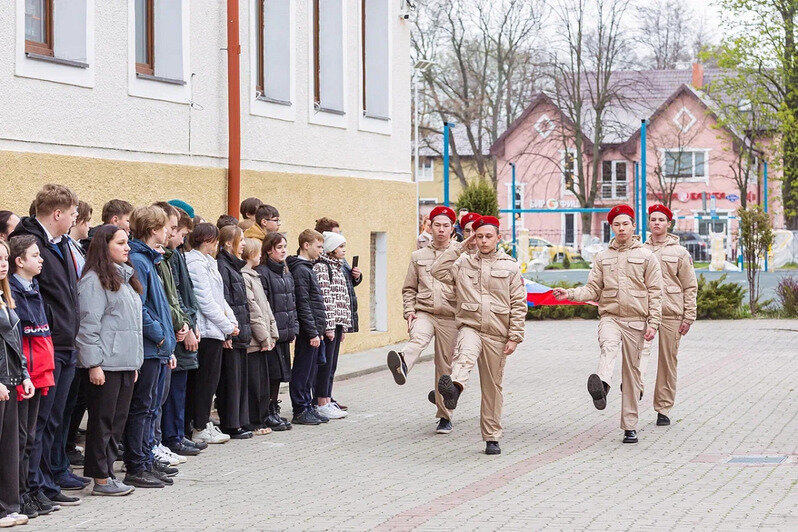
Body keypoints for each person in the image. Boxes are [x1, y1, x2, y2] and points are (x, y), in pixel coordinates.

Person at [553, 205, 662, 444]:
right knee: (608, 346)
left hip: (637, 320)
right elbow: (593, 289)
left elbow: (655, 291)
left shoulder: (646, 257)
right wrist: (569, 293)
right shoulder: (603, 257)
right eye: (616, 225)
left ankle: (630, 426)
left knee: (632, 374)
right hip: (610, 316)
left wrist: (653, 322)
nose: (621, 228)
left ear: (633, 226)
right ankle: (602, 386)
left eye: (625, 224)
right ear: (611, 228)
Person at [11, 184, 83, 508]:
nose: (73, 220)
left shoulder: (58, 244)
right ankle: (34, 486)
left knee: (56, 420)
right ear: (57, 214)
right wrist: (56, 329)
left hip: (64, 343)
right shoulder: (32, 244)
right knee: (38, 425)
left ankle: (49, 480)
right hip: (46, 345)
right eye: (71, 214)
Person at [432, 216, 527, 455]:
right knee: (464, 354)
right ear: (473, 237)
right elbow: (437, 270)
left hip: (497, 333)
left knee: (492, 388)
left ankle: (492, 437)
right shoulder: (463, 262)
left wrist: (515, 336)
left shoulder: (510, 266)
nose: (484, 241)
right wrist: (461, 245)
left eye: (488, 236)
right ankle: (454, 388)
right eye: (479, 236)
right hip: (470, 326)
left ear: (498, 238)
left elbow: (518, 303)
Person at [76, 225, 144, 496]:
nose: (127, 248)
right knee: (102, 422)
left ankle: (109, 473)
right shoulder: (93, 281)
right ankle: (100, 479)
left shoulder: (125, 279)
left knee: (117, 422)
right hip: (104, 365)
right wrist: (93, 363)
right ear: (105, 247)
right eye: (121, 243)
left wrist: (134, 363)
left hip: (125, 364)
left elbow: (130, 326)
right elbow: (87, 326)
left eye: (127, 243)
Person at [388, 206, 458, 434]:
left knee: (444, 367)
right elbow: (409, 288)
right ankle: (403, 363)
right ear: (430, 226)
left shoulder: (460, 254)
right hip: (424, 311)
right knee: (417, 338)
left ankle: (444, 416)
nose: (441, 229)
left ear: (452, 228)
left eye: (446, 225)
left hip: (450, 316)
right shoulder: (418, 256)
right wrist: (409, 311)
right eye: (437, 225)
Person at [124, 206, 178, 488]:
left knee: (151, 406)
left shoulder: (150, 259)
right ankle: (137, 464)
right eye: (165, 227)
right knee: (142, 407)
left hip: (158, 348)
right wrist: (159, 336)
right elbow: (140, 307)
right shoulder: (139, 261)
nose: (169, 231)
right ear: (153, 229)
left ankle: (146, 458)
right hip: (148, 348)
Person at [8, 236, 55, 518]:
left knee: (31, 436)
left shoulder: (34, 287)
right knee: (22, 438)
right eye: (35, 255)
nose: (41, 260)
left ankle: (28, 491)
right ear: (20, 261)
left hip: (40, 372)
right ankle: (19, 494)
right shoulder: (13, 290)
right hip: (25, 373)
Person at [639, 204, 697, 427]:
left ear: (668, 224)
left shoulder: (680, 252)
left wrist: (688, 316)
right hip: (644, 313)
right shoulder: (640, 250)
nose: (656, 223)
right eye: (653, 219)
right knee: (637, 357)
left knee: (667, 362)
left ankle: (663, 409)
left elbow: (690, 286)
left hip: (672, 313)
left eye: (661, 220)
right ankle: (637, 389)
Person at [148, 203, 191, 467]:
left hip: (168, 336)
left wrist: (184, 321)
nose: (172, 234)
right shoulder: (147, 260)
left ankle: (156, 445)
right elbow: (150, 304)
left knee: (158, 401)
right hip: (158, 340)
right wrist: (165, 334)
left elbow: (174, 298)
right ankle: (147, 452)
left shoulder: (164, 259)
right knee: (148, 405)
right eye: (170, 228)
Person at [184, 223, 236, 444]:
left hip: (215, 328)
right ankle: (199, 426)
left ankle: (203, 422)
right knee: (204, 382)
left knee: (210, 382)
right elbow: (204, 300)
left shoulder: (208, 263)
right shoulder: (195, 263)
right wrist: (226, 325)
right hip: (206, 330)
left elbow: (219, 297)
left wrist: (231, 320)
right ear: (207, 241)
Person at [160, 207, 204, 457]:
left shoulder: (175, 256)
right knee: (172, 390)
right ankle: (171, 436)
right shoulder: (166, 258)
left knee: (180, 386)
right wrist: (184, 326)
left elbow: (185, 295)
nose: (181, 239)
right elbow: (172, 297)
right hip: (176, 331)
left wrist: (191, 323)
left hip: (185, 324)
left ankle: (177, 433)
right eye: (180, 233)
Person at [0, 239, 35, 527]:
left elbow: (14, 342)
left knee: (10, 448)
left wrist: (23, 374)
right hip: (0, 383)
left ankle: (8, 506)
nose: (3, 263)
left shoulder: (5, 297)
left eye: (5, 257)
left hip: (11, 381)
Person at [312, 217, 360, 411]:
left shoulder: (339, 265)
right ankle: (321, 400)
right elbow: (327, 298)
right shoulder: (323, 267)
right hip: (330, 323)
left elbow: (346, 289)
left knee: (331, 364)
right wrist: (330, 326)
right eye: (339, 242)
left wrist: (357, 275)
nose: (344, 248)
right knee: (324, 364)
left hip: (339, 320)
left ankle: (327, 397)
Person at [255, 232, 298, 431]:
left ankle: (274, 408)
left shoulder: (286, 272)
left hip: (285, 332)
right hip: (272, 333)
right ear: (269, 249)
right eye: (279, 247)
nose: (283, 251)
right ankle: (267, 411)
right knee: (271, 374)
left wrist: (293, 326)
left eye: (284, 247)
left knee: (280, 375)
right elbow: (264, 306)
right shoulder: (263, 272)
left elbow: (292, 302)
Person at [286, 230, 327, 426]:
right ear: (306, 245)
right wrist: (312, 331)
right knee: (302, 369)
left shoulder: (308, 268)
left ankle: (308, 405)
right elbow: (303, 302)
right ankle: (300, 408)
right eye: (318, 246)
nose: (321, 251)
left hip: (314, 328)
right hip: (307, 330)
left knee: (311, 370)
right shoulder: (301, 270)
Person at [215, 225, 253, 439]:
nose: (245, 244)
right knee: (230, 381)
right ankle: (230, 423)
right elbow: (225, 301)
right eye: (242, 239)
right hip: (232, 332)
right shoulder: (223, 266)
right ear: (229, 243)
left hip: (240, 331)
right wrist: (228, 332)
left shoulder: (234, 267)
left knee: (239, 379)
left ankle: (240, 420)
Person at [64, 200, 92, 470]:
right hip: (70, 334)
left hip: (75, 333)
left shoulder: (74, 248)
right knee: (66, 404)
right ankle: (66, 449)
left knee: (75, 398)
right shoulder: (65, 248)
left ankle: (67, 447)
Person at [240, 238, 278, 434]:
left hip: (264, 339)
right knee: (254, 384)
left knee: (263, 383)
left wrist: (272, 333)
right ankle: (254, 422)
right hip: (255, 341)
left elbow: (266, 308)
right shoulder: (245, 277)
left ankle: (262, 419)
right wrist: (264, 337)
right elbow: (253, 310)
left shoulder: (255, 276)